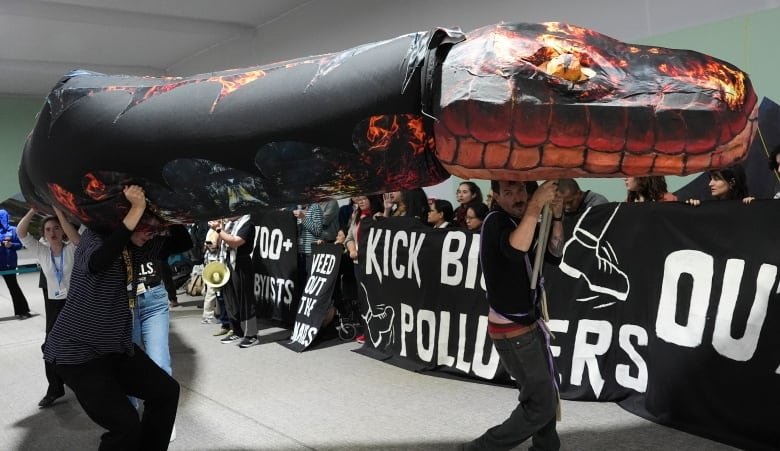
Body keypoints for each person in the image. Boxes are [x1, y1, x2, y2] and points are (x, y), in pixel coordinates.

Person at [43, 185, 179, 449]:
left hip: (113, 348)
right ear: (122, 219)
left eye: (153, 228)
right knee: (125, 426)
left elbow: (181, 242)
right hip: (77, 354)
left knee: (166, 392)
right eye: (145, 226)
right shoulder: (94, 239)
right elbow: (98, 262)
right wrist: (137, 209)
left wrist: (171, 213)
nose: (150, 234)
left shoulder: (136, 247)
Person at [466, 179, 564, 450]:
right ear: (495, 196)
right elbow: (515, 249)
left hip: (527, 323)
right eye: (508, 193)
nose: (518, 198)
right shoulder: (496, 220)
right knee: (541, 404)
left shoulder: (525, 221)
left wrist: (556, 215)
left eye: (521, 190)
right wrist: (535, 206)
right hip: (513, 331)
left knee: (545, 394)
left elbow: (555, 254)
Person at [17, 206, 80, 408]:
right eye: (48, 230)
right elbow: (21, 232)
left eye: (56, 228)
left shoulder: (72, 248)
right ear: (43, 234)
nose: (53, 233)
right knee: (49, 347)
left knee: (82, 345)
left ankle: (87, 383)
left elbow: (78, 238)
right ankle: (55, 388)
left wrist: (60, 214)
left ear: (62, 230)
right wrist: (33, 210)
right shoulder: (42, 252)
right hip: (54, 305)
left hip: (75, 303)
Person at [209, 215, 259, 348]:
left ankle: (251, 335)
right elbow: (219, 243)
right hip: (227, 263)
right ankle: (237, 330)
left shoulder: (247, 223)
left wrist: (219, 230)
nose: (227, 215)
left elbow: (236, 241)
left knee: (245, 300)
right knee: (230, 300)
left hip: (241, 263)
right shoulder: (229, 225)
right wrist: (220, 229)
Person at [0, 209, 31, 319]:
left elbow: (19, 245)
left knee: (13, 287)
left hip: (9, 264)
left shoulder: (13, 230)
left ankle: (23, 311)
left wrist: (11, 244)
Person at [686, 165, 751, 206]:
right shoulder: (709, 208)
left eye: (716, 178)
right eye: (711, 178)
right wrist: (692, 210)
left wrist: (754, 206)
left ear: (732, 182)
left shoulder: (748, 205)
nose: (710, 184)